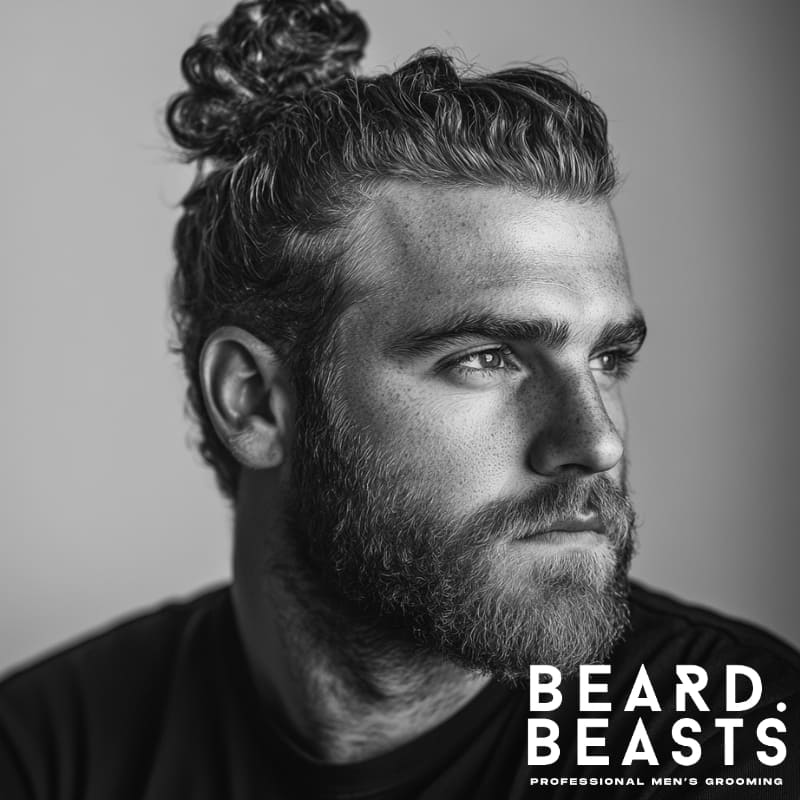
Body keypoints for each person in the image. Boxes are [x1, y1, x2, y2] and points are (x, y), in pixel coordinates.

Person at [0, 1, 798, 797]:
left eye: (608, 358)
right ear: (254, 402)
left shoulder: (736, 740)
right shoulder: (45, 756)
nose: (596, 443)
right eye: (487, 358)